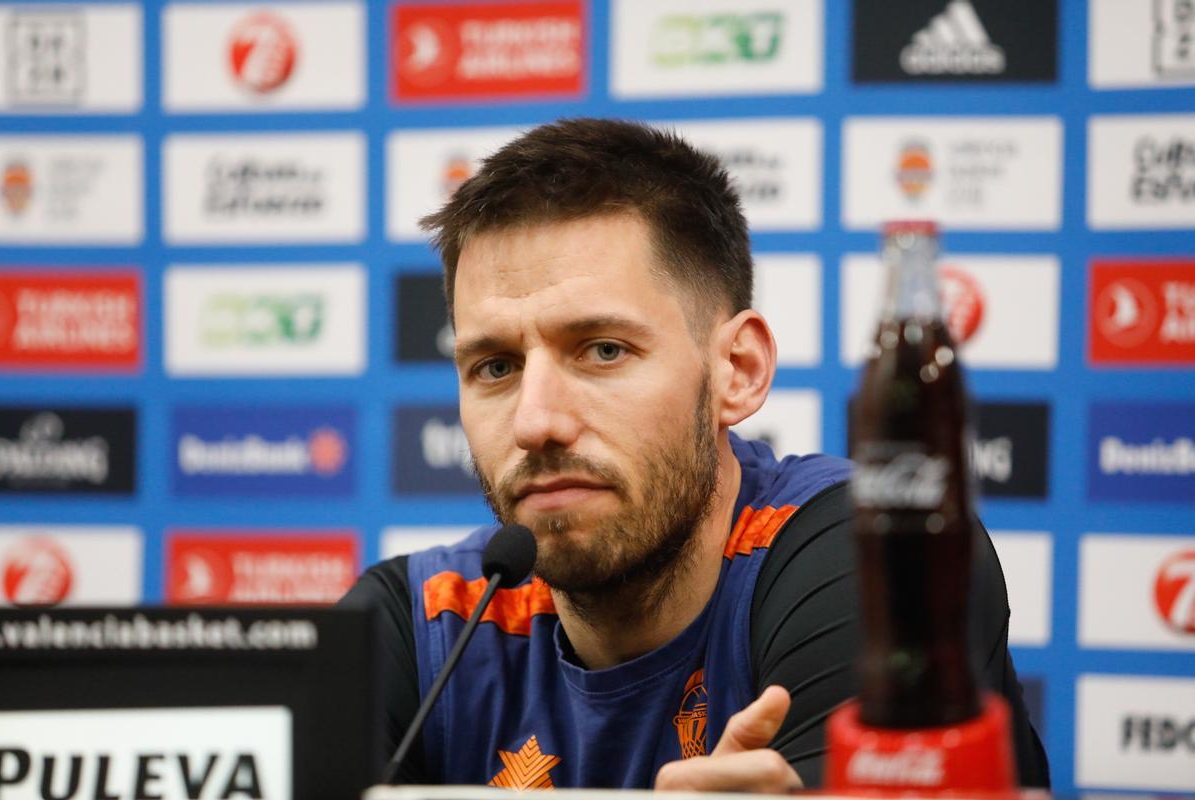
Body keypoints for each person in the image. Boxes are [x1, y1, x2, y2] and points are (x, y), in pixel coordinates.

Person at [342, 118, 1050, 791]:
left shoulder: (866, 558)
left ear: (736, 371)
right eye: (495, 367)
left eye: (603, 350)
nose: (535, 421)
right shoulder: (419, 625)